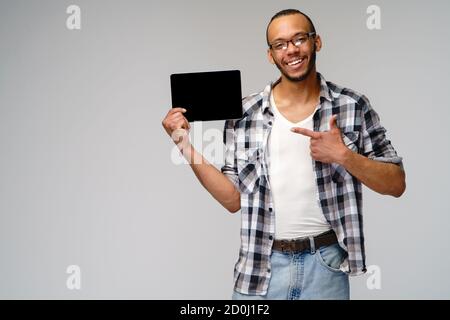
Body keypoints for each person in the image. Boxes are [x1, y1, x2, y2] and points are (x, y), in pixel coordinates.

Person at [161, 9, 405, 300]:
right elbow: (232, 200)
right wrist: (183, 144)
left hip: (326, 268)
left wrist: (344, 156)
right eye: (280, 44)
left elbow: (396, 184)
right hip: (260, 268)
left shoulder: (352, 105)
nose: (291, 50)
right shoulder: (245, 114)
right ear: (271, 55)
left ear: (317, 42)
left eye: (299, 38)